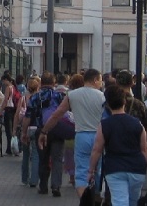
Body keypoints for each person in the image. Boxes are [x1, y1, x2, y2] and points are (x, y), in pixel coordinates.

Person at [40, 68, 106, 198]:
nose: (101, 83)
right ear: (95, 80)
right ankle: (96, 195)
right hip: (99, 136)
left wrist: (44, 130)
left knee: (81, 171)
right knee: (98, 170)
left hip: (81, 135)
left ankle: (84, 199)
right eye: (100, 80)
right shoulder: (103, 97)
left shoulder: (72, 95)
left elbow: (56, 115)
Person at [88, 84, 147, 206]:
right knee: (134, 200)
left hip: (115, 168)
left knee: (119, 200)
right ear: (124, 102)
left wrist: (91, 170)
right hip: (137, 169)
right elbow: (145, 149)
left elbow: (97, 149)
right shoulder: (137, 124)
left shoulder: (104, 125)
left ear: (107, 104)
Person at [30, 71, 67, 196]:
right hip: (57, 130)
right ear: (53, 82)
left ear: (41, 83)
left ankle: (43, 186)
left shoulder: (35, 97)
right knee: (57, 159)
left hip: (41, 130)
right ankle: (56, 186)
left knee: (43, 159)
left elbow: (27, 116)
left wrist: (23, 132)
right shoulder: (60, 96)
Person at [19, 76, 41, 187]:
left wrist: (22, 131)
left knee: (26, 155)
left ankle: (24, 178)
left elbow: (22, 115)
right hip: (36, 128)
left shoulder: (24, 98)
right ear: (38, 87)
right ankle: (34, 180)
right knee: (36, 155)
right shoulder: (41, 98)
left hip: (26, 128)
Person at [1, 75, 17, 155]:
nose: (3, 83)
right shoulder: (14, 87)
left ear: (6, 80)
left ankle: (9, 149)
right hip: (13, 109)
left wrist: (0, 110)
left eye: (3, 81)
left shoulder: (8, 88)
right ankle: (14, 147)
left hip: (8, 109)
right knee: (12, 129)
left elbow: (5, 100)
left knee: (8, 131)